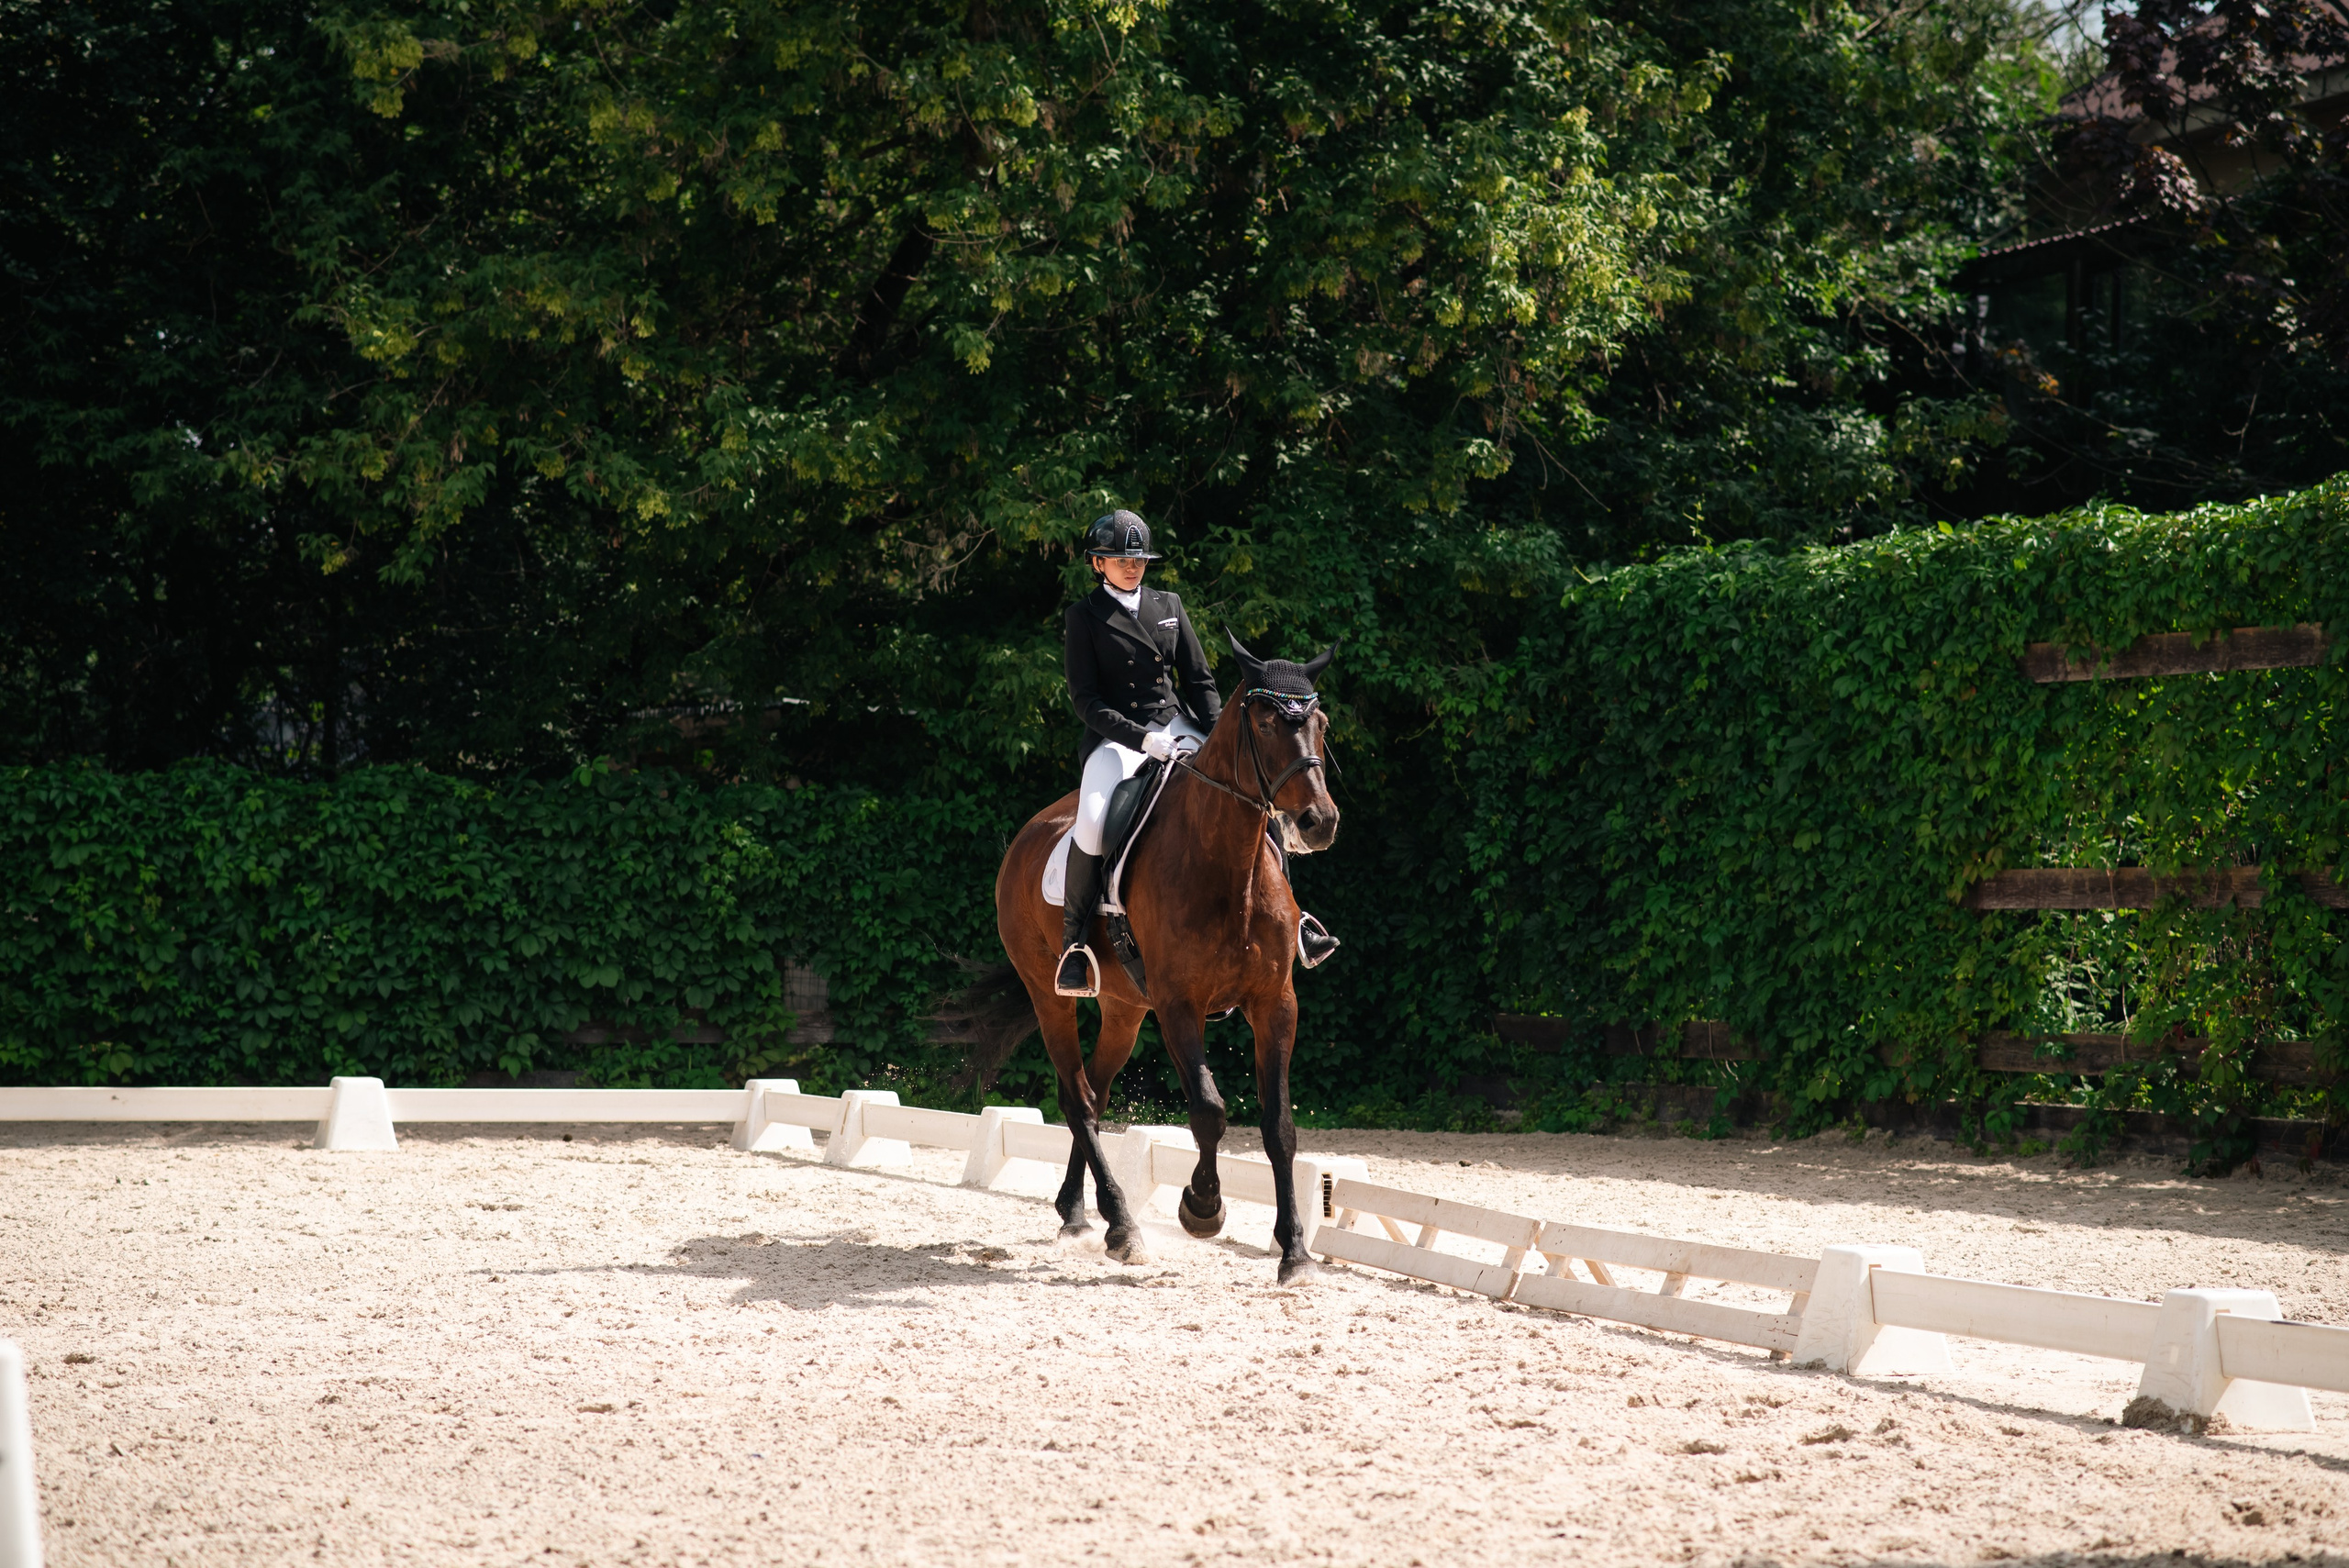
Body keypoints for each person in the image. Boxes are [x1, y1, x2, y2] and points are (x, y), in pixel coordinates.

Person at [1056, 510, 1221, 996]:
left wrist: (1215, 741)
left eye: (1139, 558)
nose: (1133, 567)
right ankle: (1074, 944)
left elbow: (1199, 681)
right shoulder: (1084, 617)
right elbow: (1086, 701)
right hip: (1119, 738)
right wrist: (1141, 739)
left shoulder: (1168, 603)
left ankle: (1296, 921)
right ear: (1097, 563)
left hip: (1178, 726)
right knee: (1090, 819)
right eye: (1121, 559)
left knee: (1248, 786)